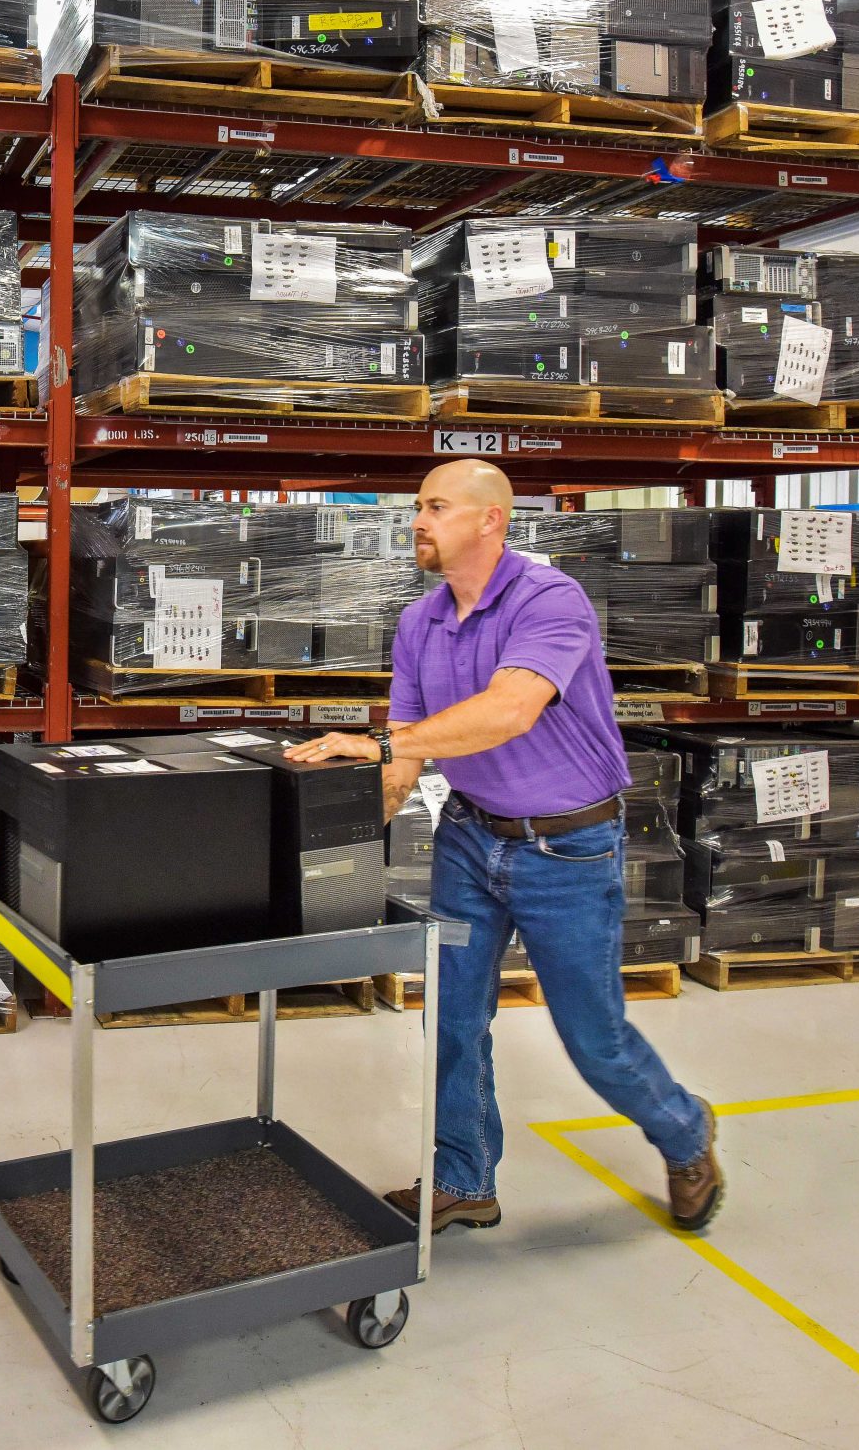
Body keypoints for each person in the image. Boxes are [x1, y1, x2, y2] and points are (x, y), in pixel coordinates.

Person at [286, 459, 722, 1233]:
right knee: (452, 1017)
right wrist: (320, 850)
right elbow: (406, 758)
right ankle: (464, 1177)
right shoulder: (421, 622)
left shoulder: (549, 601)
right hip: (469, 839)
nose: (417, 519)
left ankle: (686, 1132)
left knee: (595, 1039)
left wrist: (377, 742)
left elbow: (509, 710)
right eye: (416, 504)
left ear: (491, 520)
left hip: (568, 852)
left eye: (437, 506)